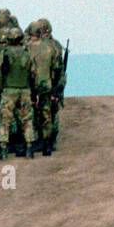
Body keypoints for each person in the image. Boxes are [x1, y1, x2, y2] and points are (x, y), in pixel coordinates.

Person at [0, 26, 36, 160]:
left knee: (5, 121)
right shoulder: (27, 53)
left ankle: (3, 149)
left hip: (9, 91)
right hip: (25, 90)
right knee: (27, 120)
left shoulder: (5, 53)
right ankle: (29, 147)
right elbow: (33, 73)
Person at [28, 21, 62, 156]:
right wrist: (55, 88)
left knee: (35, 115)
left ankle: (38, 141)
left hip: (33, 86)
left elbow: (28, 69)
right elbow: (57, 69)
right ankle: (48, 145)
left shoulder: (29, 47)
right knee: (47, 114)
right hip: (48, 85)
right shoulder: (51, 48)